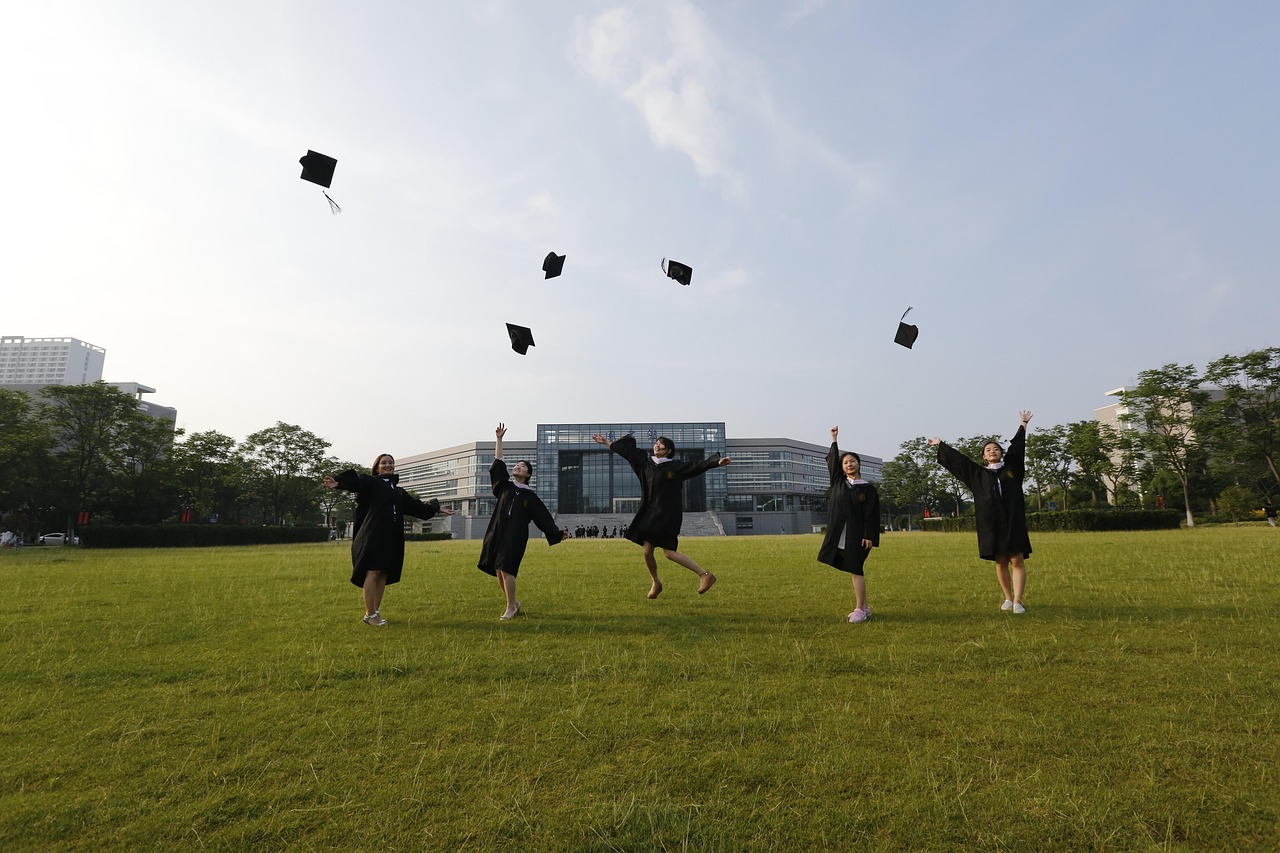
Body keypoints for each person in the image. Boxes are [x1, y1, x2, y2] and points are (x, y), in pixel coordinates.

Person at [592, 431, 731, 598]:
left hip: (667, 514)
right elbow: (628, 453)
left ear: (669, 450)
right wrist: (606, 442)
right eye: (656, 443)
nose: (656, 445)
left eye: (661, 444)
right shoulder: (645, 463)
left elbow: (696, 466)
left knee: (669, 553)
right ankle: (656, 582)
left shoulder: (675, 467)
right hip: (649, 512)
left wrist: (716, 463)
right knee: (646, 551)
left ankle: (704, 575)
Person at [323, 453, 454, 626]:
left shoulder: (398, 491)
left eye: (391, 463)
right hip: (372, 535)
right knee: (372, 571)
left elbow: (416, 506)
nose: (388, 465)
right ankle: (370, 615)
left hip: (391, 536)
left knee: (383, 572)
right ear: (377, 467)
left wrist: (436, 508)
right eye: (383, 463)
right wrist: (338, 483)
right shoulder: (371, 483)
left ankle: (375, 612)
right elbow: (357, 482)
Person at [928, 411, 1033, 614]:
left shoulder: (1012, 469)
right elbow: (960, 462)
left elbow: (1018, 449)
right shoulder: (978, 475)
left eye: (996, 448)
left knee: (1017, 560)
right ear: (983, 456)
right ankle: (1008, 598)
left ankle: (1019, 601)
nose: (992, 451)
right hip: (991, 523)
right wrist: (942, 445)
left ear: (1001, 453)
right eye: (988, 449)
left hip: (1013, 521)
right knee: (1001, 561)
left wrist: (1023, 425)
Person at [478, 423, 567, 620]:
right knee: (499, 571)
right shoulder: (505, 487)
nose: (518, 466)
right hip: (498, 531)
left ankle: (511, 607)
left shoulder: (530, 496)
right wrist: (499, 440)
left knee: (507, 569)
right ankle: (513, 603)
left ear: (528, 474)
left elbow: (543, 517)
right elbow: (498, 462)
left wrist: (557, 533)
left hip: (515, 535)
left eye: (523, 466)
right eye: (517, 465)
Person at [817, 426, 881, 623]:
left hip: (858, 534)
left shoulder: (867, 489)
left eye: (852, 461)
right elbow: (833, 463)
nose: (849, 464)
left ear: (859, 464)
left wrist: (869, 535)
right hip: (840, 533)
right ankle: (866, 607)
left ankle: (859, 610)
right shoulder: (838, 482)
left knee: (856, 568)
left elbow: (871, 515)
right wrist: (834, 439)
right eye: (845, 462)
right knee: (854, 568)